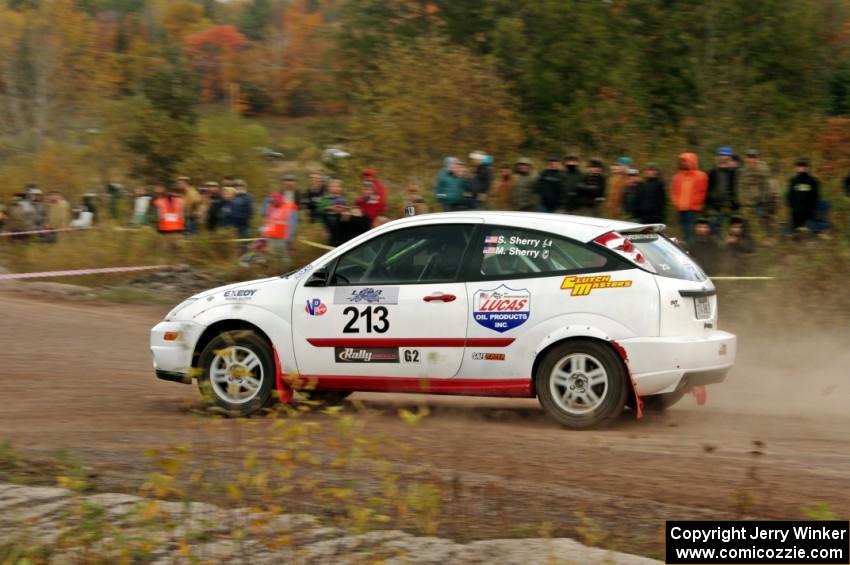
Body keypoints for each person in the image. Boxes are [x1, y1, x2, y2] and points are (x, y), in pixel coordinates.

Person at [671, 152, 708, 244]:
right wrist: (676, 203)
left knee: (692, 232)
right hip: (681, 210)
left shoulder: (701, 176)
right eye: (682, 161)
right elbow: (673, 192)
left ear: (692, 162)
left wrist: (698, 203)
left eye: (685, 161)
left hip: (693, 210)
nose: (683, 163)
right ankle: (685, 250)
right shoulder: (677, 177)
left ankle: (693, 251)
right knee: (683, 232)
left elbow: (704, 192)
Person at [739, 149, 776, 230]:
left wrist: (767, 201)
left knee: (763, 222)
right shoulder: (743, 171)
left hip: (761, 202)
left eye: (753, 157)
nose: (751, 159)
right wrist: (743, 201)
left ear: (758, 158)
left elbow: (768, 186)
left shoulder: (764, 169)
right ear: (746, 159)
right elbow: (741, 187)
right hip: (748, 202)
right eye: (749, 157)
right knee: (745, 222)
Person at [706, 146, 740, 233]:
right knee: (715, 231)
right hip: (715, 208)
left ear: (730, 157)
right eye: (721, 155)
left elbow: (736, 189)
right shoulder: (712, 172)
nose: (723, 157)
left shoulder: (734, 173)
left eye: (726, 155)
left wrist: (735, 204)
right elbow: (708, 189)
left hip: (730, 208)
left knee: (730, 232)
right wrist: (710, 202)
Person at [261, 192, 298, 266]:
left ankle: (286, 273)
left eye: (274, 201)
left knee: (284, 258)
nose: (272, 203)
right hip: (272, 238)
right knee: (273, 257)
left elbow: (293, 225)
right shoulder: (271, 207)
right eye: (271, 201)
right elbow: (268, 222)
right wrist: (264, 235)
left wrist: (290, 239)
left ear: (278, 200)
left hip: (283, 239)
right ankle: (275, 272)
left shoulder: (289, 208)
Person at [786, 158, 820, 234]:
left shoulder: (812, 180)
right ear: (796, 168)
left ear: (808, 168)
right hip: (796, 212)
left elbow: (816, 196)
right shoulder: (793, 180)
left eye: (804, 166)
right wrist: (791, 206)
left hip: (809, 212)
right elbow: (789, 195)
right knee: (792, 233)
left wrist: (813, 207)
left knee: (812, 232)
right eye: (799, 166)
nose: (802, 168)